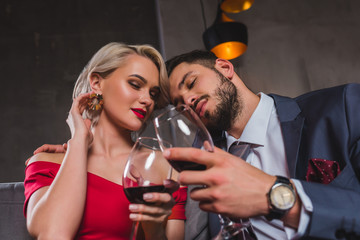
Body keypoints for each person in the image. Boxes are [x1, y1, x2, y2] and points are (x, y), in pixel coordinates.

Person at [158, 50, 360, 239]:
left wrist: (279, 197)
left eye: (191, 83)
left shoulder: (343, 107)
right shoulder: (205, 167)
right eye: (179, 104)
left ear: (225, 68)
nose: (188, 100)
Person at [23, 42, 186, 240]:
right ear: (97, 83)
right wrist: (79, 141)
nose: (147, 100)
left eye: (153, 93)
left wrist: (153, 230)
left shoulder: (166, 169)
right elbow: (52, 234)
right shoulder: (47, 162)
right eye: (135, 84)